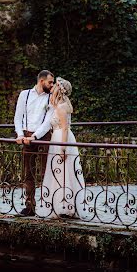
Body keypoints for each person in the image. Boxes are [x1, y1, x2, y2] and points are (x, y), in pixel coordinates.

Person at [27, 77, 85, 218]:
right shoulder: (59, 105)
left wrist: (62, 148)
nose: (52, 87)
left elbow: (64, 128)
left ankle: (65, 206)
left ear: (59, 89)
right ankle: (62, 204)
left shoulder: (60, 107)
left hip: (62, 139)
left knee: (64, 173)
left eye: (55, 85)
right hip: (58, 138)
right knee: (61, 173)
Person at [14, 70, 54, 216]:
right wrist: (19, 134)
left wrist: (35, 136)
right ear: (41, 81)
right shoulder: (25, 95)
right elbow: (18, 117)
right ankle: (29, 207)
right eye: (50, 82)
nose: (52, 85)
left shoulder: (51, 97)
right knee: (28, 173)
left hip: (43, 137)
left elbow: (48, 121)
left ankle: (48, 208)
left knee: (46, 173)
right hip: (26, 137)